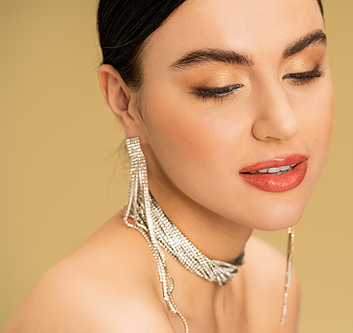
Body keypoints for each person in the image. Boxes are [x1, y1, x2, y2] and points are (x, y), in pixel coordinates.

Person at [4, 0, 333, 332]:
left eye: (303, 71)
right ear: (123, 101)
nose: (284, 123)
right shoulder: (102, 316)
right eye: (220, 87)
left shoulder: (272, 284)